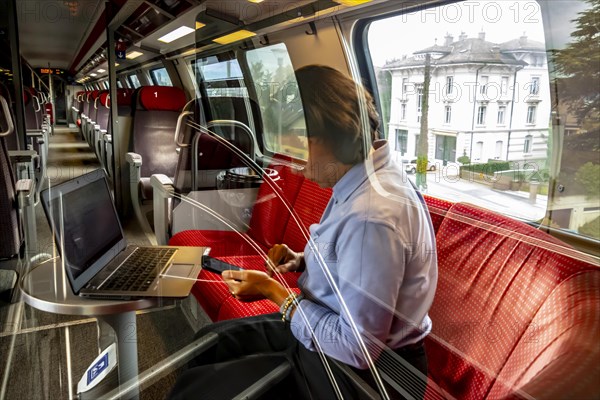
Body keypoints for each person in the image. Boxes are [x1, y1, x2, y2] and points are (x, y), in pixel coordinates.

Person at [168, 65, 437, 400]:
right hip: (327, 329)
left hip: (362, 375)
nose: (294, 163)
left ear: (333, 136)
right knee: (208, 346)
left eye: (299, 147)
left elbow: (357, 349)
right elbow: (351, 265)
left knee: (201, 392)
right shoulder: (360, 178)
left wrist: (273, 291)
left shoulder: (372, 216)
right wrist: (301, 261)